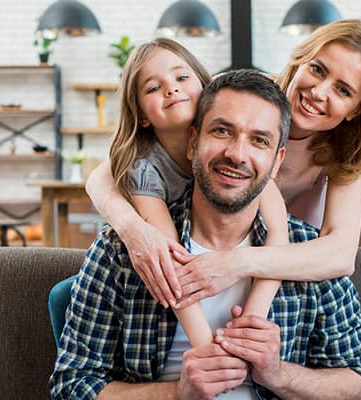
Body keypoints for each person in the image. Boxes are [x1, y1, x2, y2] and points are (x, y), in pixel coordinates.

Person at [50, 69, 361, 400]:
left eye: (259, 140)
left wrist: (278, 375)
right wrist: (177, 393)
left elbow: (359, 387)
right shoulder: (125, 251)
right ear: (193, 142)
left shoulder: (308, 256)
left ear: (277, 162)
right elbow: (70, 387)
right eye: (222, 131)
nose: (237, 154)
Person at [85, 19, 361, 310]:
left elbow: (340, 255)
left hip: (278, 272)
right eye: (317, 69)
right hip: (196, 251)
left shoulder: (347, 152)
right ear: (299, 60)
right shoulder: (243, 95)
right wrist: (133, 230)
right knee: (76, 292)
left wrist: (235, 263)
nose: (318, 92)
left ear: (357, 110)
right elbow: (108, 174)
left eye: (343, 90)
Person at [91, 38, 288, 348]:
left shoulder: (242, 159)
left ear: (204, 86)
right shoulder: (144, 169)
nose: (171, 89)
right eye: (153, 88)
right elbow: (171, 257)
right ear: (141, 114)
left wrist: (254, 316)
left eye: (181, 78)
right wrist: (208, 349)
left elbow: (279, 235)